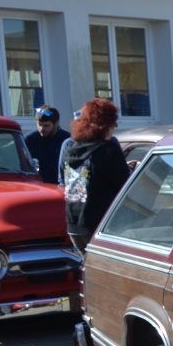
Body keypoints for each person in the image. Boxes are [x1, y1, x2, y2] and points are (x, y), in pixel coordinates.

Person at [61, 98, 130, 251]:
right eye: (114, 124)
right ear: (105, 125)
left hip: (74, 225)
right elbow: (126, 186)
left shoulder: (71, 149)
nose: (114, 129)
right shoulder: (108, 150)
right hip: (99, 226)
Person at [24, 106, 71, 185]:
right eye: (39, 125)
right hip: (38, 186)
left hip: (61, 185)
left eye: (46, 125)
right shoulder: (30, 140)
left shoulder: (67, 140)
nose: (42, 129)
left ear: (56, 123)